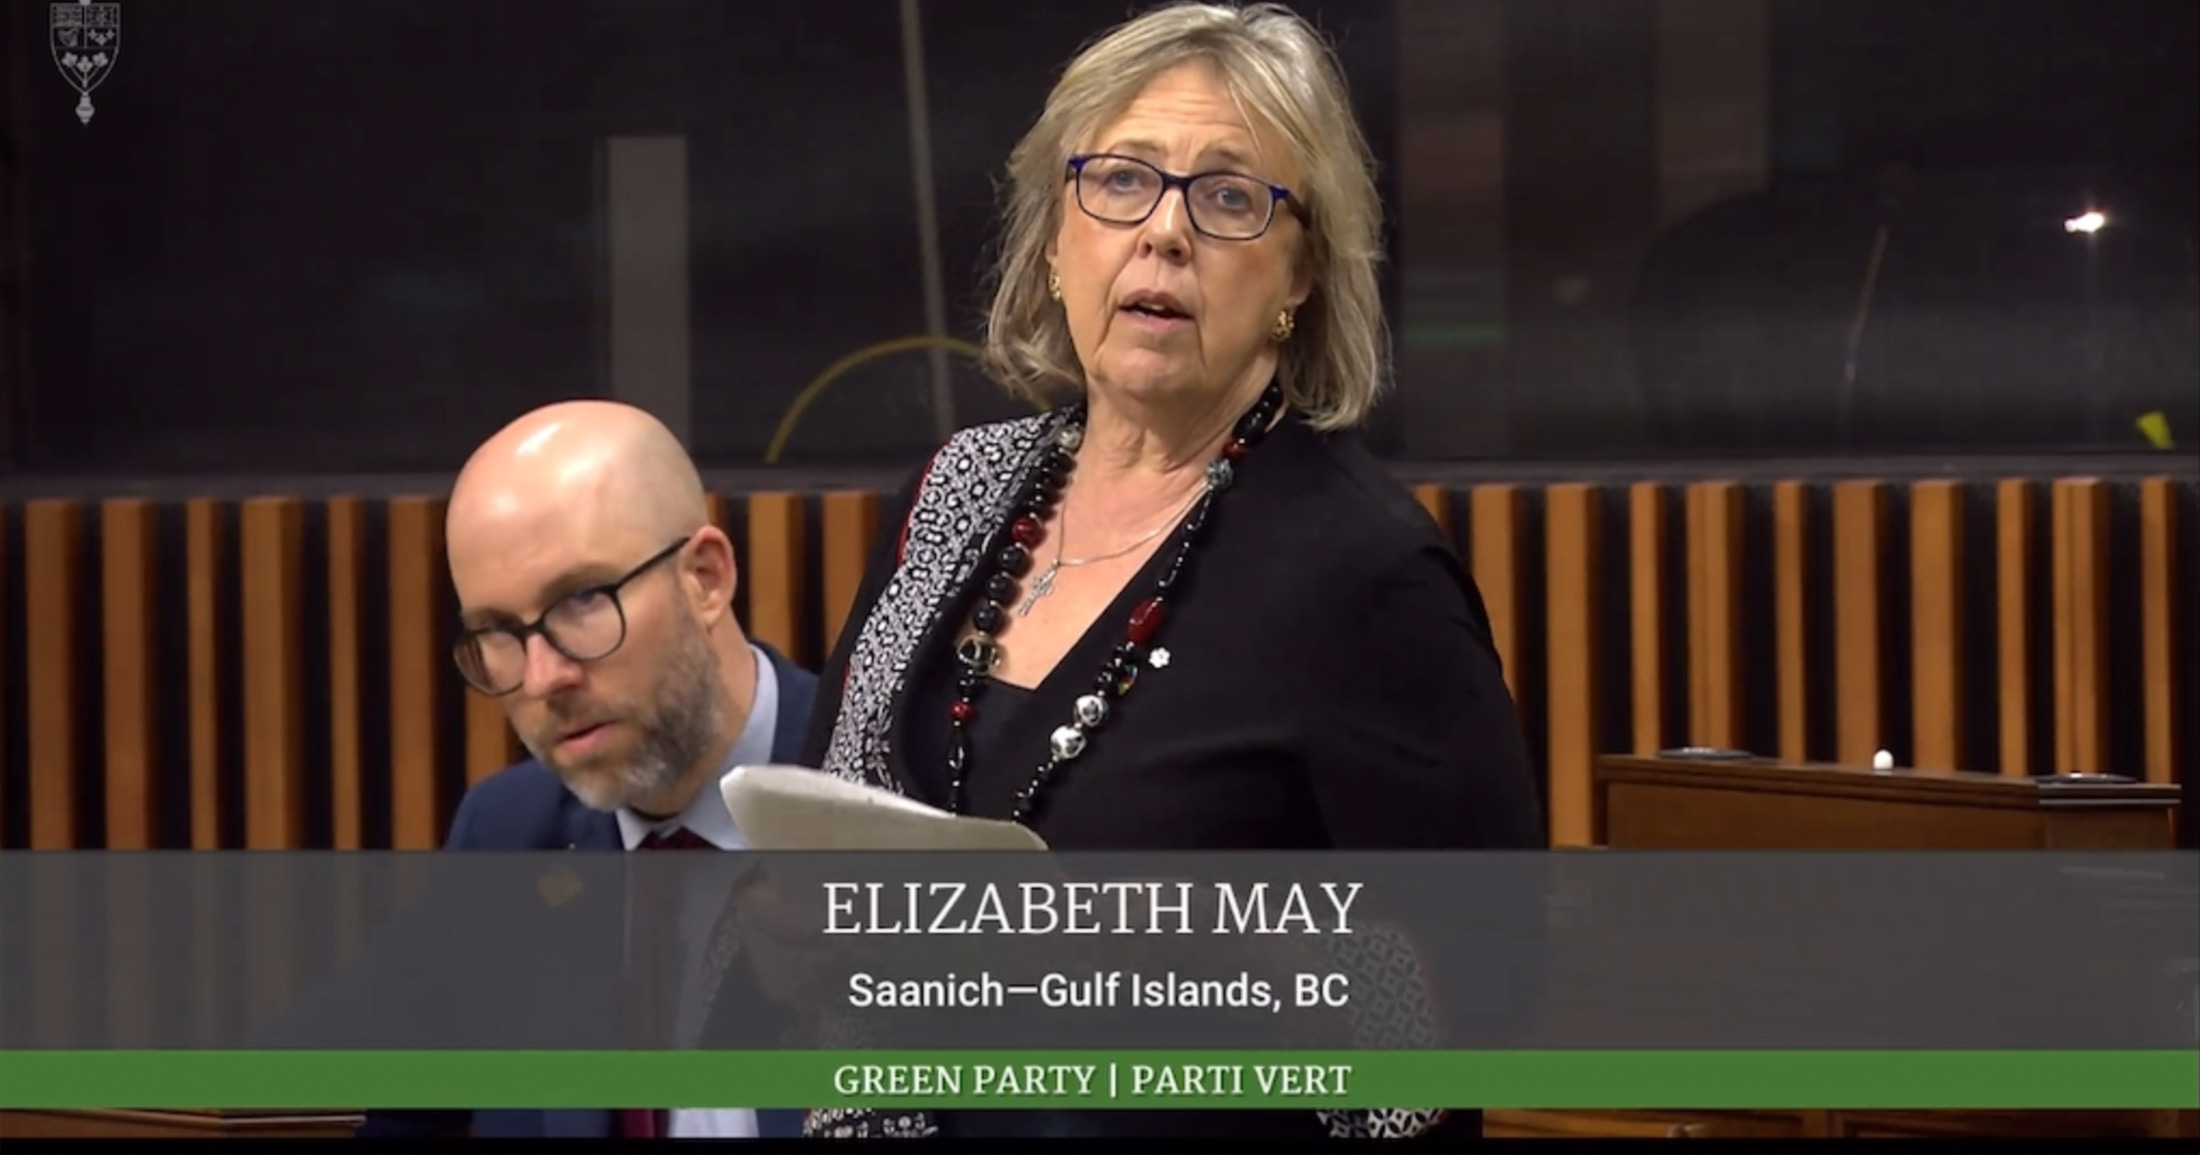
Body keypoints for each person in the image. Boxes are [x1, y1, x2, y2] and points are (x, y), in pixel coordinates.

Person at [791, 1, 1545, 1141]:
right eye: (1122, 182)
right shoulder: (955, 495)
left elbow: (1477, 1000)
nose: (1164, 233)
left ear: (1299, 280)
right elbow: (825, 843)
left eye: (1230, 198)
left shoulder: (1366, 574)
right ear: (1055, 239)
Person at [356, 400, 815, 1141]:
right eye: (499, 632)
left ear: (705, 577)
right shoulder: (507, 834)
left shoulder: (891, 796)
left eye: (581, 600)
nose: (542, 679)